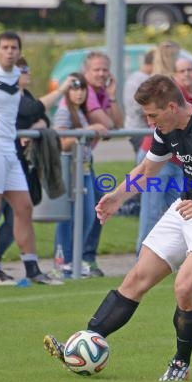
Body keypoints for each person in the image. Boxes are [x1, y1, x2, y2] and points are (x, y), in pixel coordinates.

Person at [44, 74, 192, 381]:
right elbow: (147, 169)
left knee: (185, 286)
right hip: (187, 207)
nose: (149, 120)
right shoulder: (165, 128)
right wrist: (117, 196)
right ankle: (82, 344)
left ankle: (181, 363)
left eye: (153, 114)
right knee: (136, 278)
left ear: (172, 106)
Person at [0, 31, 58, 285]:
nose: (10, 51)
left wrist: (39, 121)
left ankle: (32, 269)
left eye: (14, 48)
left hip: (9, 149)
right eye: (5, 47)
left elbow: (24, 111)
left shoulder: (16, 77)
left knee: (24, 207)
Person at [53, 73, 109, 276]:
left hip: (83, 168)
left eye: (82, 88)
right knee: (68, 218)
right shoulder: (64, 111)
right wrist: (89, 130)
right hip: (69, 170)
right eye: (74, 88)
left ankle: (75, 260)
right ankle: (63, 261)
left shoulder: (80, 111)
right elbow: (61, 143)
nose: (79, 93)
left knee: (87, 216)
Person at [134, 41, 184, 258]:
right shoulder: (164, 87)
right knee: (152, 212)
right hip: (157, 155)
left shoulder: (179, 87)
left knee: (177, 211)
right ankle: (142, 258)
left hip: (175, 159)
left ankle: (167, 256)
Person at [81, 51, 124, 276]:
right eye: (96, 69)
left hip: (86, 157)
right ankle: (72, 260)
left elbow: (117, 124)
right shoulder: (86, 92)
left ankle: (86, 258)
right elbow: (108, 124)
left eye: (105, 69)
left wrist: (113, 96)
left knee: (99, 207)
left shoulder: (101, 93)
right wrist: (106, 120)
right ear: (85, 72)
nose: (101, 73)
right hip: (72, 158)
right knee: (83, 211)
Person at [124, 48, 154, 156]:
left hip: (133, 127)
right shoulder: (144, 79)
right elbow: (138, 108)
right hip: (140, 129)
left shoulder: (134, 76)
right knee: (145, 163)